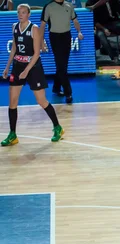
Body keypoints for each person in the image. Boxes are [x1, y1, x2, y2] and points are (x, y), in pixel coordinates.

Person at [1, 4, 65, 147]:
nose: (20, 14)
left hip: (33, 67)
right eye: (19, 12)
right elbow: (14, 49)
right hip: (17, 66)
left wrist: (27, 70)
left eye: (23, 12)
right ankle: (13, 134)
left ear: (29, 14)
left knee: (41, 101)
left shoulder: (34, 29)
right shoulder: (15, 27)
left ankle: (57, 127)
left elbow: (37, 54)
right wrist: (7, 67)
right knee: (12, 102)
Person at [40, 0, 84, 104]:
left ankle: (56, 88)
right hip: (55, 37)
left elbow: (75, 20)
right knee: (61, 65)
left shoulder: (69, 6)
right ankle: (68, 93)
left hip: (67, 36)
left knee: (62, 65)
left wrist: (79, 32)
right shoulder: (49, 7)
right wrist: (41, 42)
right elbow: (42, 25)